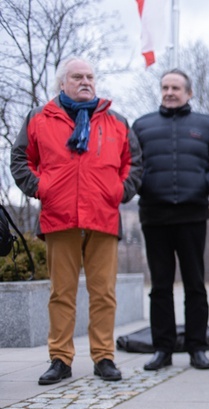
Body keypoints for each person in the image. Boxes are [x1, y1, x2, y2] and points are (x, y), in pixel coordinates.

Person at [11, 57, 142, 385]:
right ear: (62, 83)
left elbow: (134, 163)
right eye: (77, 77)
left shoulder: (116, 121)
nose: (85, 81)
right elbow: (20, 159)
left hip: (103, 217)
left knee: (104, 293)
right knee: (61, 293)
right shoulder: (39, 118)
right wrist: (41, 187)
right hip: (59, 217)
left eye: (90, 77)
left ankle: (104, 357)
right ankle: (60, 358)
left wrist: (119, 191)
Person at [132, 69, 209, 371]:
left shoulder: (207, 125)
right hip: (154, 216)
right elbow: (131, 166)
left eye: (175, 87)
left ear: (189, 92)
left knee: (195, 284)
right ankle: (163, 349)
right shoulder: (142, 125)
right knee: (160, 285)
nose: (169, 92)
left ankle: (197, 347)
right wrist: (144, 184)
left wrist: (202, 184)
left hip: (193, 215)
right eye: (165, 87)